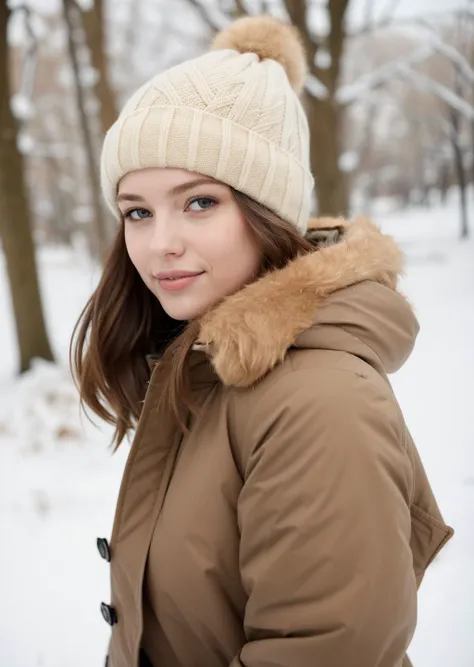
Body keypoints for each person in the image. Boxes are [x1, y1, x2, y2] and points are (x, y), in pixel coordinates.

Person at [71, 15, 453, 667]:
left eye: (199, 202)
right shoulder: (203, 367)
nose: (159, 241)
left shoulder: (317, 402)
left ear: (267, 210)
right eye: (137, 209)